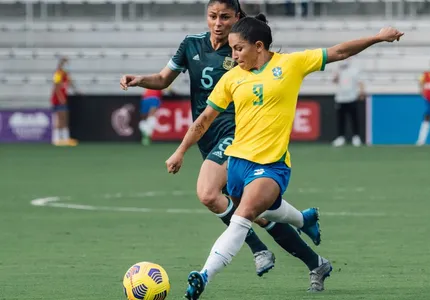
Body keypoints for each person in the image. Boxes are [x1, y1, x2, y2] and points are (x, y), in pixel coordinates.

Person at [164, 14, 403, 300]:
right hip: (237, 163)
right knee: (263, 211)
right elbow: (204, 118)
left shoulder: (290, 64)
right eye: (232, 48)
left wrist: (377, 37)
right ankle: (305, 226)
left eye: (239, 48)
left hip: (272, 166)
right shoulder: (231, 78)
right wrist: (181, 150)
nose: (233, 54)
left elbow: (339, 51)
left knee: (243, 215)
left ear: (259, 46)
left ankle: (204, 276)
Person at [120, 0, 334, 290]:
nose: (218, 23)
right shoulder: (192, 45)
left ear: (237, 18)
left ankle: (250, 253)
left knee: (211, 195)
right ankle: (312, 256)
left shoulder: (244, 48)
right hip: (207, 137)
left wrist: (179, 151)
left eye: (224, 17)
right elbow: (162, 79)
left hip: (236, 136)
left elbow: (276, 66)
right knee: (258, 212)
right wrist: (139, 80)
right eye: (212, 16)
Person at [331, 59, 365, 147]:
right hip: (340, 98)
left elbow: (360, 82)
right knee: (341, 119)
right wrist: (337, 73)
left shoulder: (354, 70)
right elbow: (334, 81)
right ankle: (340, 137)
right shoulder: (338, 70)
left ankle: (356, 137)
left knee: (354, 119)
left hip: (351, 98)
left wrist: (361, 92)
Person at [51, 57, 79, 146]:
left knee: (65, 118)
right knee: (60, 118)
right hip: (58, 100)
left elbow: (70, 84)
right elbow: (56, 87)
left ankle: (65, 138)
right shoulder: (58, 74)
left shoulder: (66, 75)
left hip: (63, 99)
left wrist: (77, 91)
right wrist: (61, 98)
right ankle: (56, 139)